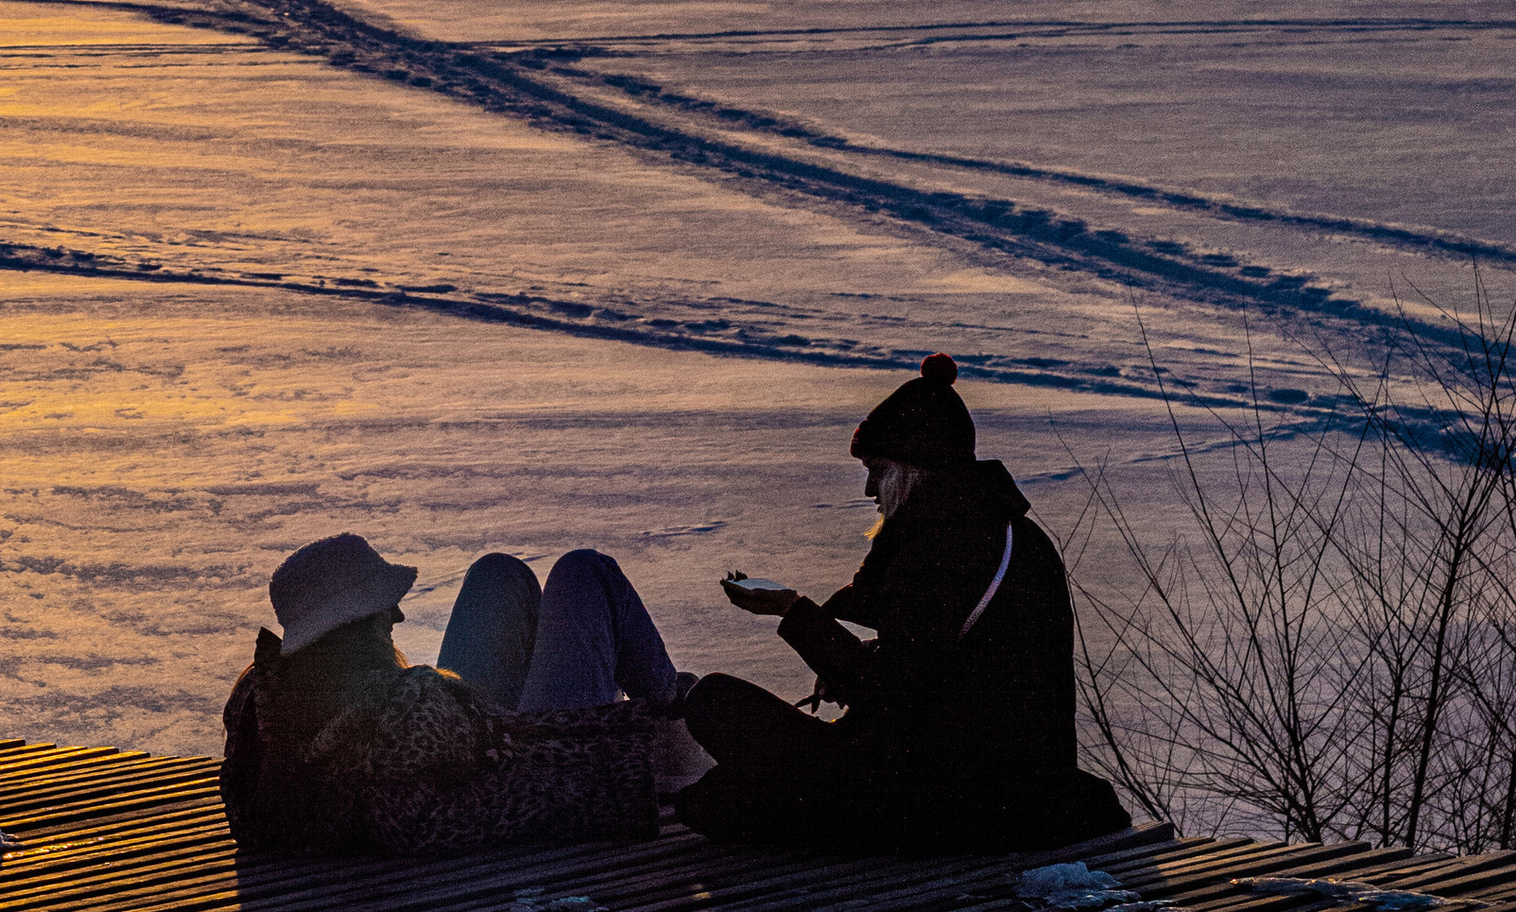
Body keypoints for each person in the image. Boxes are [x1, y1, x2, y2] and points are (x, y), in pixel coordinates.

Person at [671, 353, 1128, 858]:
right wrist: (853, 659)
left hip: (951, 796)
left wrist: (793, 611)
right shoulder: (1010, 535)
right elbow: (948, 663)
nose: (869, 489)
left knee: (715, 707)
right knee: (724, 793)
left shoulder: (944, 549)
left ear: (914, 469)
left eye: (877, 470)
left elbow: (892, 691)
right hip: (1015, 787)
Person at [220, 531, 705, 861]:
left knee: (499, 572)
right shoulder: (405, 713)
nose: (398, 620)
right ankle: (681, 716)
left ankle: (676, 707)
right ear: (355, 623)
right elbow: (511, 764)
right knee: (585, 572)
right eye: (384, 608)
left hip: (482, 752)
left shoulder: (267, 709)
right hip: (552, 766)